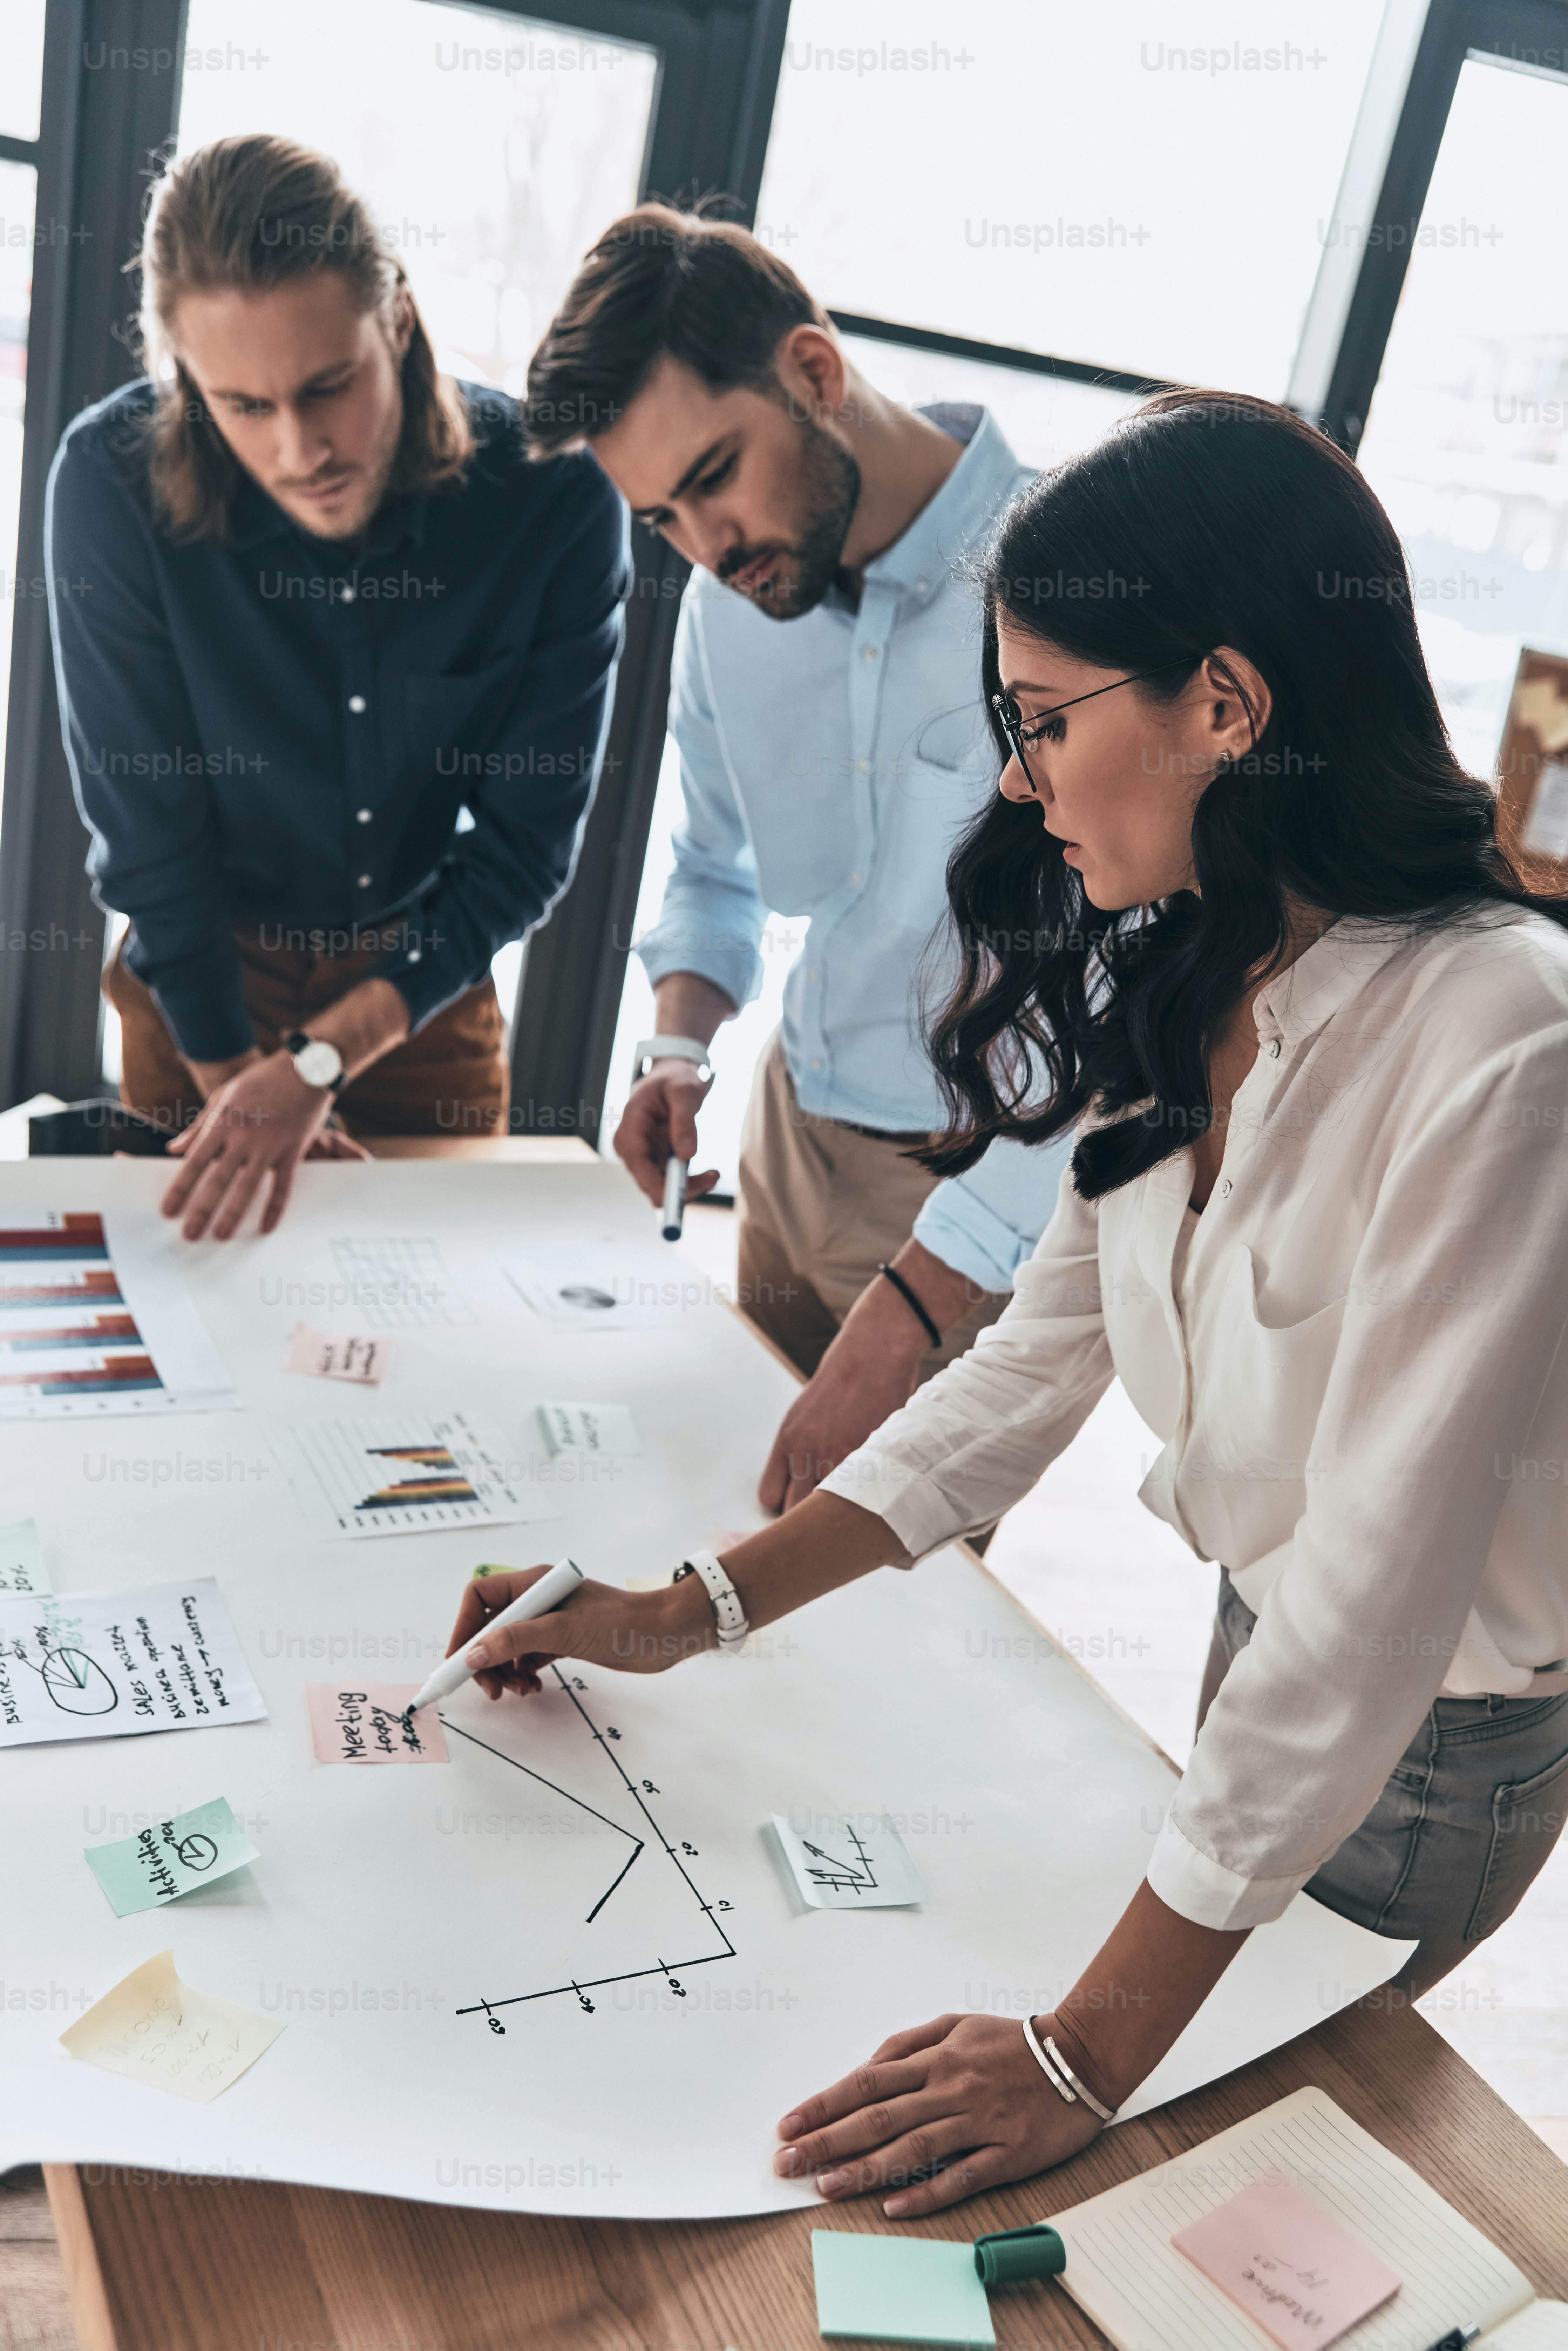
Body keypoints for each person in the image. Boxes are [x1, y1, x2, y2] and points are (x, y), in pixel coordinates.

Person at [437, 391, 1568, 2217]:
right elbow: (1030, 1363)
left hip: (1431, 1735)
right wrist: (681, 1611)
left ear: (1223, 702)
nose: (1020, 780)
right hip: (1258, 1643)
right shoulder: (1189, 951)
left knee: (1244, 2189)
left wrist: (1075, 2052)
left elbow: (1367, 1616)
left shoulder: (1500, 1039)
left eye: (1043, 721)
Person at [524, 208, 1073, 1510]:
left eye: (714, 474)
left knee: (904, 1593)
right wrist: (675, 1045)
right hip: (791, 1134)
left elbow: (1117, 999)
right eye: (661, 516)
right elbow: (711, 863)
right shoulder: (737, 608)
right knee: (741, 1524)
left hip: (975, 1187)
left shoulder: (1070, 583)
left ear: (813, 374)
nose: (704, 544)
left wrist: (928, 1298)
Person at [47, 136, 626, 1241]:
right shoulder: (110, 486)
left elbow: (522, 850)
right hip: (198, 974)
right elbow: (150, 836)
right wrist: (234, 1077)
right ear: (183, 376)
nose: (299, 447)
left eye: (327, 387)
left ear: (396, 320)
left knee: (430, 1313)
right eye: (243, 405)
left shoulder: (549, 497)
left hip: (423, 985)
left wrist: (321, 1059)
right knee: (212, 1315)